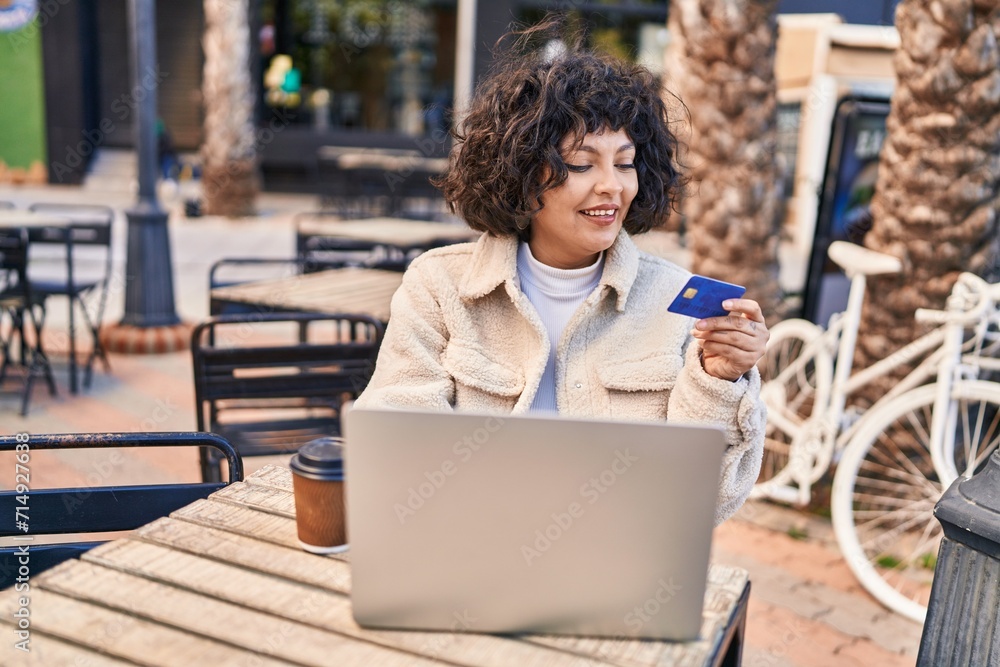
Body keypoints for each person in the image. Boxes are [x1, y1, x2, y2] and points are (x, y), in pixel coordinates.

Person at [355, 23, 769, 524]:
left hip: (619, 565)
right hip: (469, 549)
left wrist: (719, 379)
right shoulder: (439, 287)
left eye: (625, 163)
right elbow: (395, 447)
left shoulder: (675, 301)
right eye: (581, 164)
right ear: (522, 173)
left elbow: (709, 502)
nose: (611, 187)